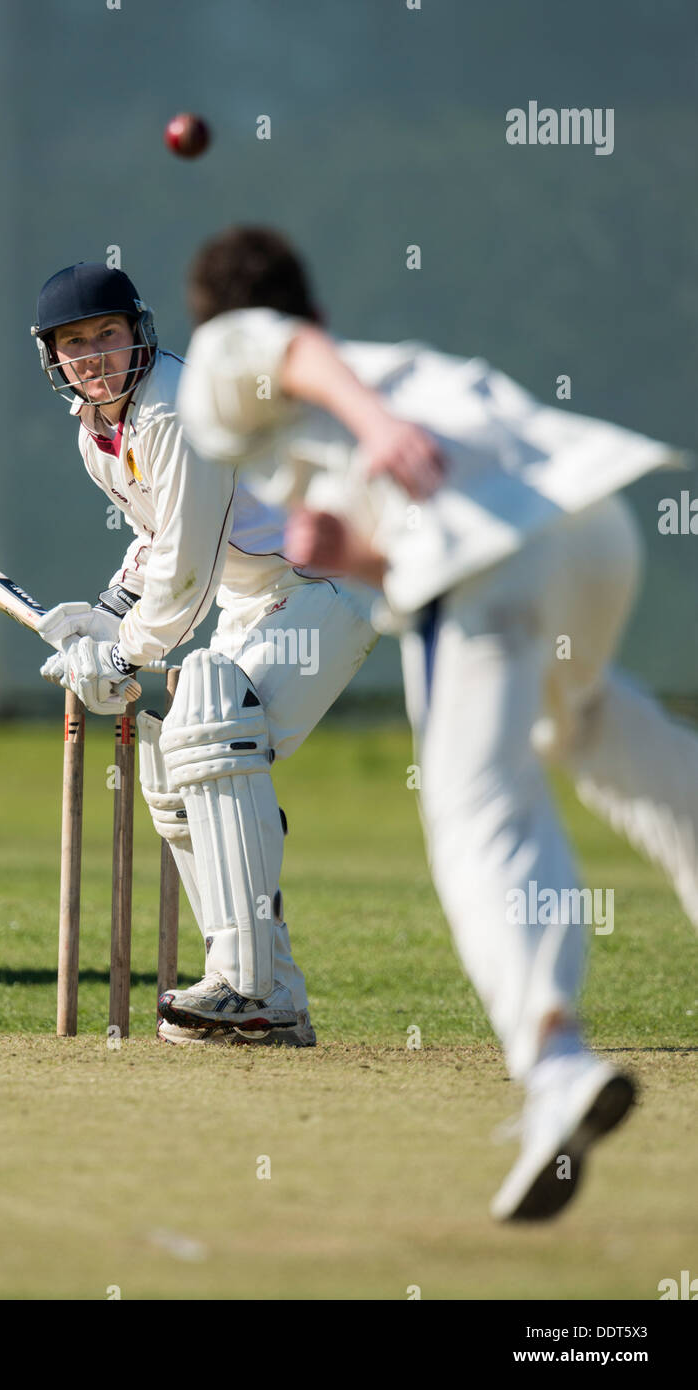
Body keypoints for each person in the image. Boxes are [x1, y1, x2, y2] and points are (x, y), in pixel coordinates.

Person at [177, 226, 698, 1219]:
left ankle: (556, 1063)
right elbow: (397, 524)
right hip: (589, 526)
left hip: (492, 551)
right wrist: (357, 550)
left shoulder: (228, 351)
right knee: (590, 725)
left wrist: (373, 428)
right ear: (323, 304)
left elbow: (279, 347)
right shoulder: (380, 377)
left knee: (474, 813)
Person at [29, 260, 379, 1046]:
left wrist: (124, 654)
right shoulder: (97, 433)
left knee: (212, 729)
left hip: (327, 579)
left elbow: (188, 568)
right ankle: (267, 999)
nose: (93, 355)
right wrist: (104, 616)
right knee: (171, 767)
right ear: (53, 357)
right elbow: (156, 541)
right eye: (74, 343)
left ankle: (248, 988)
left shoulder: (173, 413)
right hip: (257, 595)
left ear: (138, 334)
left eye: (107, 334)